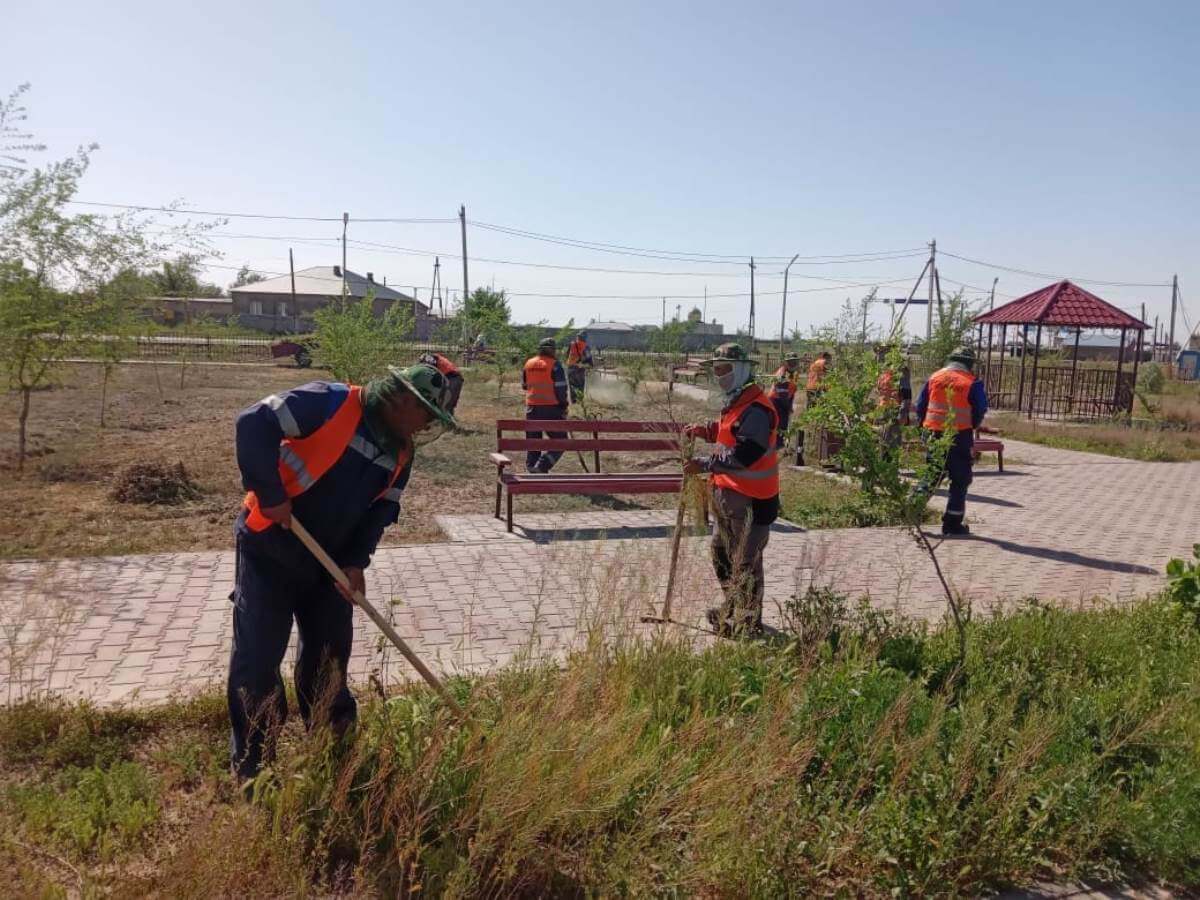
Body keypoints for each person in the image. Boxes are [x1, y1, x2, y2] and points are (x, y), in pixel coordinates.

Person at [228, 364, 456, 781]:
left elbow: (381, 510)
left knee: (329, 660)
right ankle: (254, 766)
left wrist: (355, 562)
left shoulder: (401, 452)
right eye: (425, 413)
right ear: (403, 400)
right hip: (270, 549)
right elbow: (253, 422)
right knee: (258, 659)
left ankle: (334, 748)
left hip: (328, 565)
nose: (426, 425)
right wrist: (271, 494)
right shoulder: (328, 402)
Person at [683, 343, 780, 637]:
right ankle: (735, 607)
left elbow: (745, 454)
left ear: (740, 370)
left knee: (745, 564)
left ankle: (748, 624)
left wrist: (704, 463)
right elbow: (729, 431)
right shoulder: (737, 402)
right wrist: (706, 431)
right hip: (728, 498)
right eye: (716, 369)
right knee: (721, 555)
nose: (719, 375)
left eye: (724, 369)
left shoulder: (757, 408)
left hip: (752, 501)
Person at [915, 346, 989, 536]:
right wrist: (972, 425)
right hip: (959, 436)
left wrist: (923, 428)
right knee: (960, 479)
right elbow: (980, 409)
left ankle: (911, 512)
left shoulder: (935, 377)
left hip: (934, 434)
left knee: (931, 475)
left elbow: (920, 406)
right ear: (969, 363)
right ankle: (952, 524)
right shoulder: (972, 382)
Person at [521, 337, 569, 473]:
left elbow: (524, 385)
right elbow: (561, 389)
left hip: (532, 409)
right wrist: (564, 406)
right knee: (561, 441)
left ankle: (532, 467)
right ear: (552, 350)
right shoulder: (555, 365)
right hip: (551, 409)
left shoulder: (528, 363)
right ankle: (542, 466)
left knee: (533, 441)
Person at [769, 353, 801, 448]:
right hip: (776, 401)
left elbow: (791, 391)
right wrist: (788, 407)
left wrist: (790, 405)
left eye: (795, 361)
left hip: (784, 400)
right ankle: (777, 445)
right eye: (790, 362)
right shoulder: (782, 374)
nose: (793, 364)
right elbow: (782, 393)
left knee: (784, 423)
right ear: (786, 363)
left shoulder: (793, 374)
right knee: (779, 423)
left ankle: (780, 444)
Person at [565, 331, 594, 403]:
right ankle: (580, 403)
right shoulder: (586, 347)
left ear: (577, 337)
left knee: (572, 387)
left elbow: (567, 355)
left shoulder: (571, 344)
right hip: (579, 370)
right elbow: (590, 362)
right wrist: (588, 365)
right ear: (585, 338)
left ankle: (574, 403)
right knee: (580, 387)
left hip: (570, 369)